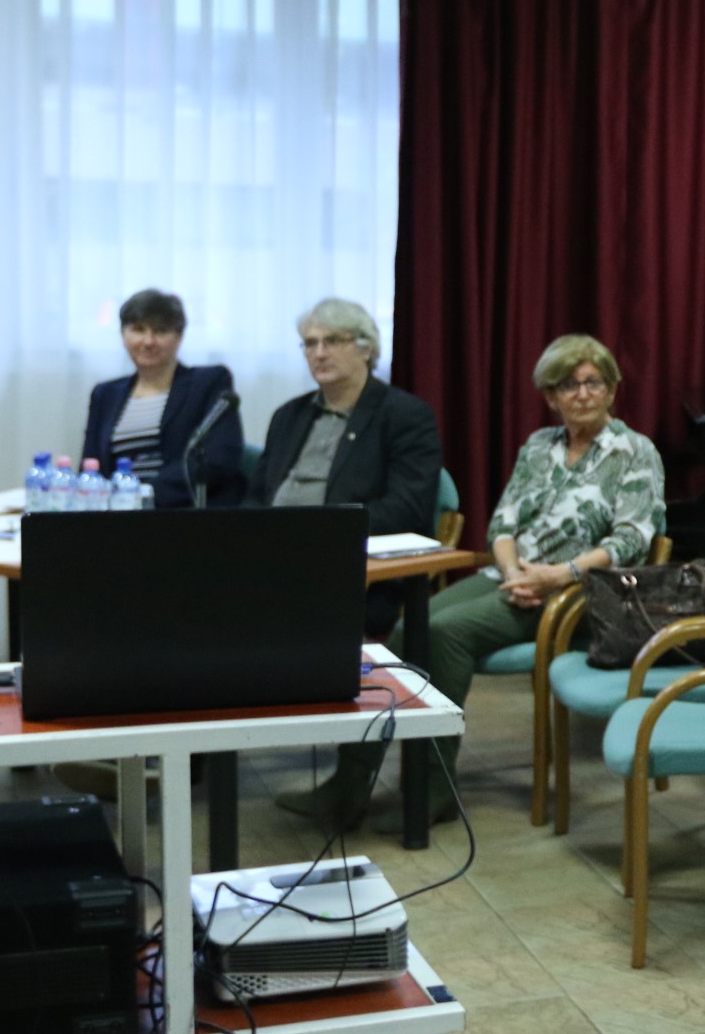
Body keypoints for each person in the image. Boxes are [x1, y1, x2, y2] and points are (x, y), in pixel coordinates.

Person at [279, 334, 665, 833]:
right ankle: (350, 782)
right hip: (512, 576)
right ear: (551, 396)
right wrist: (514, 572)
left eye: (595, 382)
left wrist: (557, 575)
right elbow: (502, 525)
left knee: (446, 634)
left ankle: (434, 789)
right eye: (569, 385)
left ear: (612, 389)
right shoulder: (539, 447)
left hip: (579, 593)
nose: (583, 393)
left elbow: (632, 538)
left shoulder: (634, 451)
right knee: (408, 630)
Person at [251, 298, 442, 638]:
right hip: (272, 558)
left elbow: (406, 508)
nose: (319, 353)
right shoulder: (288, 416)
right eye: (310, 343)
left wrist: (323, 536)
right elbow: (256, 496)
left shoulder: (405, 415)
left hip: (353, 567)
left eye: (332, 341)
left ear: (366, 349)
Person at [82, 289, 246, 508]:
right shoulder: (105, 394)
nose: (148, 341)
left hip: (183, 511)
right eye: (138, 329)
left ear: (179, 337)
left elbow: (218, 459)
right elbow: (91, 467)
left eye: (160, 331)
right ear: (123, 334)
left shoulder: (208, 382)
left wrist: (142, 495)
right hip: (117, 514)